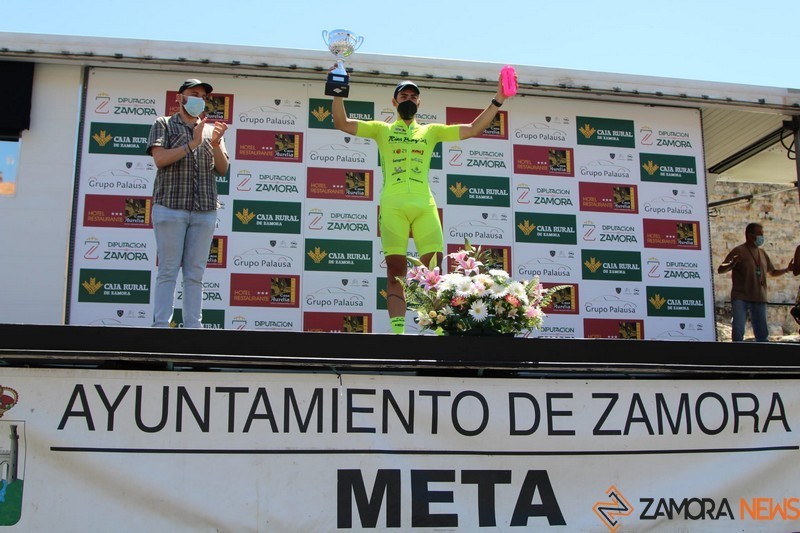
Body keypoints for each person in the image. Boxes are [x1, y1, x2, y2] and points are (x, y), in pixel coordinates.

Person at [332, 72, 516, 334]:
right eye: (403, 96)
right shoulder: (381, 129)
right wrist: (337, 92)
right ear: (394, 102)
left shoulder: (431, 131)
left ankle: (440, 332)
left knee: (434, 272)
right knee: (396, 271)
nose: (408, 99)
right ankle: (398, 333)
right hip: (393, 205)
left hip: (424, 205)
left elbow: (474, 129)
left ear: (420, 103)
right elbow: (341, 122)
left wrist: (499, 98)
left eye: (413, 97)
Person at [147, 78, 229, 328]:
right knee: (168, 270)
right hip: (170, 207)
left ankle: (194, 328)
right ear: (179, 97)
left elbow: (223, 169)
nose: (199, 99)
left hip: (204, 210)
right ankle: (161, 326)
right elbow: (159, 159)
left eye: (203, 96)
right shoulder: (163, 124)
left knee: (195, 274)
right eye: (193, 94)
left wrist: (214, 144)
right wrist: (191, 144)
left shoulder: (211, 130)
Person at [717, 222, 792, 341]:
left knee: (762, 332)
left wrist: (787, 270)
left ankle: (763, 356)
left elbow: (772, 272)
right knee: (738, 328)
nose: (762, 237)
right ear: (749, 235)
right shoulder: (739, 250)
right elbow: (721, 269)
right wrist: (733, 263)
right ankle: (736, 355)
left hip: (759, 297)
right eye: (759, 234)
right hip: (741, 297)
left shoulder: (762, 253)